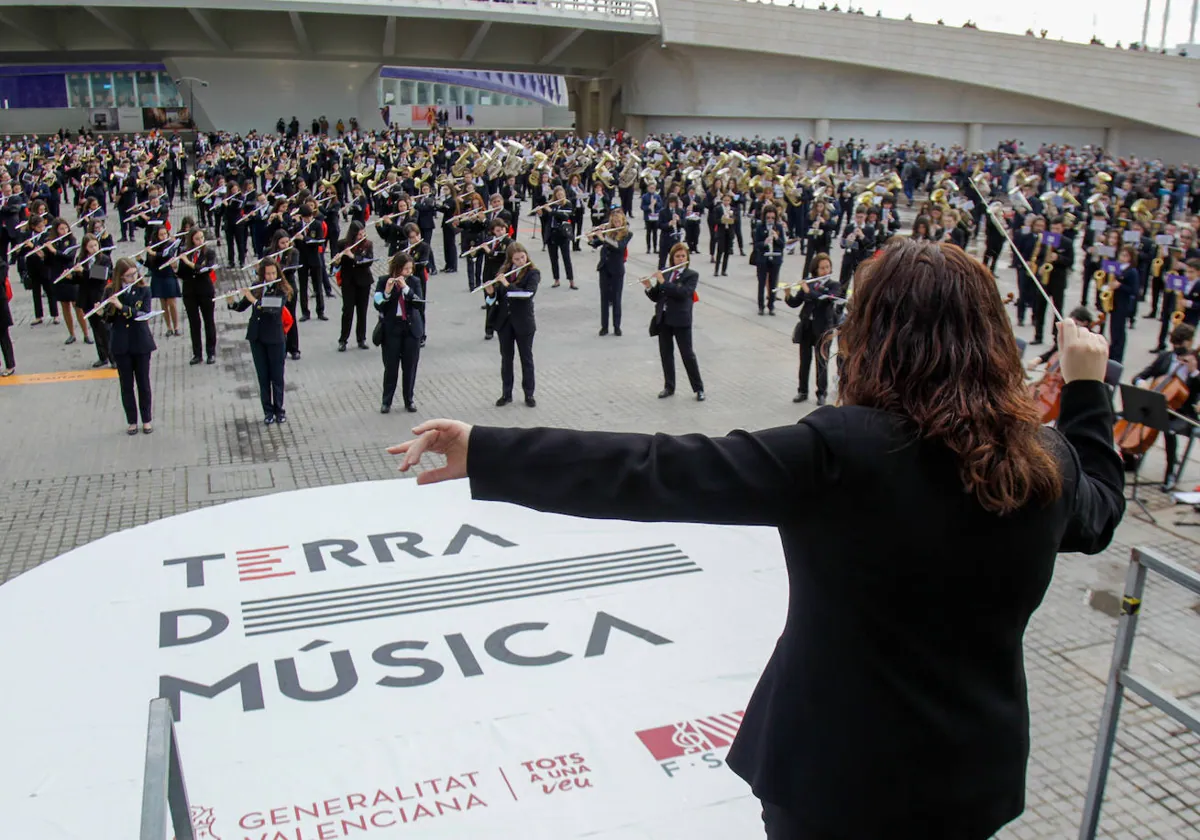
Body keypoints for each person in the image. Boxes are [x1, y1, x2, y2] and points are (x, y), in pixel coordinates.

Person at [388, 238, 1124, 840]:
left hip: (831, 779)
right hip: (968, 778)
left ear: (874, 337)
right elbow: (1100, 513)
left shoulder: (843, 451)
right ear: (992, 337)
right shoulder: (1043, 462)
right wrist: (1087, 389)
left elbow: (657, 472)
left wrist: (486, 450)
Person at [1130, 323, 1199, 490]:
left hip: (1182, 413)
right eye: (1175, 344)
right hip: (1157, 406)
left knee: (1168, 430)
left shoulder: (1196, 363)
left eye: (1181, 344)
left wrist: (1194, 372)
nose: (1177, 348)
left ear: (1189, 343)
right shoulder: (1165, 357)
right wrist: (1143, 384)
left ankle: (1170, 473)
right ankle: (1130, 460)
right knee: (1125, 416)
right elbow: (1139, 376)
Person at [229, 259, 293, 425]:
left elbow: (273, 310)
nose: (271, 276)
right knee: (263, 377)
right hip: (257, 337)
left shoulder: (281, 290)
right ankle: (268, 412)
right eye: (268, 274)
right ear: (262, 274)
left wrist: (253, 299)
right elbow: (241, 306)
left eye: (273, 273)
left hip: (275, 338)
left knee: (277, 377)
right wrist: (231, 302)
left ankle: (280, 410)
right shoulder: (257, 287)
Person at [644, 242, 704, 401]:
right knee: (666, 354)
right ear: (672, 258)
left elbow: (683, 293)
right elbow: (657, 296)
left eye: (683, 256)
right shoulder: (666, 273)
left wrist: (664, 282)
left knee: (687, 355)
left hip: (681, 319)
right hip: (664, 319)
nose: (680, 258)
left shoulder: (691, 275)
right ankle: (669, 386)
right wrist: (649, 286)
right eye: (677, 256)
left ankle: (698, 388)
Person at [102, 257, 156, 434]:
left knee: (143, 382)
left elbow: (144, 313)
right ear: (120, 276)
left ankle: (146, 419)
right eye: (128, 276)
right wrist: (104, 310)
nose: (133, 278)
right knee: (126, 384)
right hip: (121, 343)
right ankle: (132, 421)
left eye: (134, 274)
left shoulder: (143, 289)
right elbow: (108, 319)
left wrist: (122, 307)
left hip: (140, 341)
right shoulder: (111, 290)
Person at [487, 242, 539, 407]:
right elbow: (496, 299)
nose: (520, 261)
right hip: (505, 322)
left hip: (524, 322)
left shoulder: (533, 273)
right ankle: (506, 393)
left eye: (522, 257)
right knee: (506, 359)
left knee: (526, 359)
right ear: (510, 260)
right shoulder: (504, 272)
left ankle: (529, 394)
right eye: (516, 259)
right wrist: (491, 292)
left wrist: (508, 285)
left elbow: (527, 295)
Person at [786, 252, 842, 405]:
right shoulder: (809, 283)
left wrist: (808, 291)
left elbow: (825, 301)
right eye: (821, 268)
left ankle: (821, 393)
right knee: (804, 361)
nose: (825, 271)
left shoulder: (834, 286)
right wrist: (787, 294)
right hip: (807, 328)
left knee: (821, 362)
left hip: (823, 329)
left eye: (827, 267)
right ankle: (802, 391)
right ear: (815, 270)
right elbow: (795, 303)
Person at [374, 251, 424, 414]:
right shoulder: (383, 281)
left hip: (410, 329)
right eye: (405, 269)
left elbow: (419, 304)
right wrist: (387, 292)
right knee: (391, 367)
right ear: (396, 268)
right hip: (392, 329)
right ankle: (386, 401)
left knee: (410, 367)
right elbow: (378, 305)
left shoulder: (414, 282)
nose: (408, 272)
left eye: (410, 269)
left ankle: (409, 399)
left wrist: (406, 289)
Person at [176, 227, 218, 365]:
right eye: (197, 239)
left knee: (209, 321)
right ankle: (197, 354)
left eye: (201, 238)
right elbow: (182, 274)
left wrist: (188, 263)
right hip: (189, 292)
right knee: (194, 323)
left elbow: (204, 270)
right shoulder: (184, 252)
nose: (200, 241)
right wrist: (175, 268)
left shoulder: (209, 253)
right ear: (191, 240)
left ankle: (211, 353)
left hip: (205, 291)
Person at [590, 208, 632, 337]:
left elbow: (619, 247)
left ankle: (617, 326)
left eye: (619, 221)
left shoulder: (627, 234)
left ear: (623, 221)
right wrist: (592, 237)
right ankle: (604, 327)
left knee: (616, 298)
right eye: (614, 221)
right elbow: (595, 244)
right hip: (604, 268)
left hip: (617, 270)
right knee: (604, 298)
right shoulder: (608, 232)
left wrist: (603, 238)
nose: (617, 223)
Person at [333, 221, 375, 352]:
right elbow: (336, 266)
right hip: (348, 282)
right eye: (359, 234)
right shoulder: (342, 244)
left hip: (364, 281)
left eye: (363, 233)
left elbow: (368, 262)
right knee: (347, 311)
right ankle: (343, 340)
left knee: (362, 311)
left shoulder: (368, 244)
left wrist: (353, 256)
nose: (362, 236)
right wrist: (337, 261)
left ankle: (361, 339)